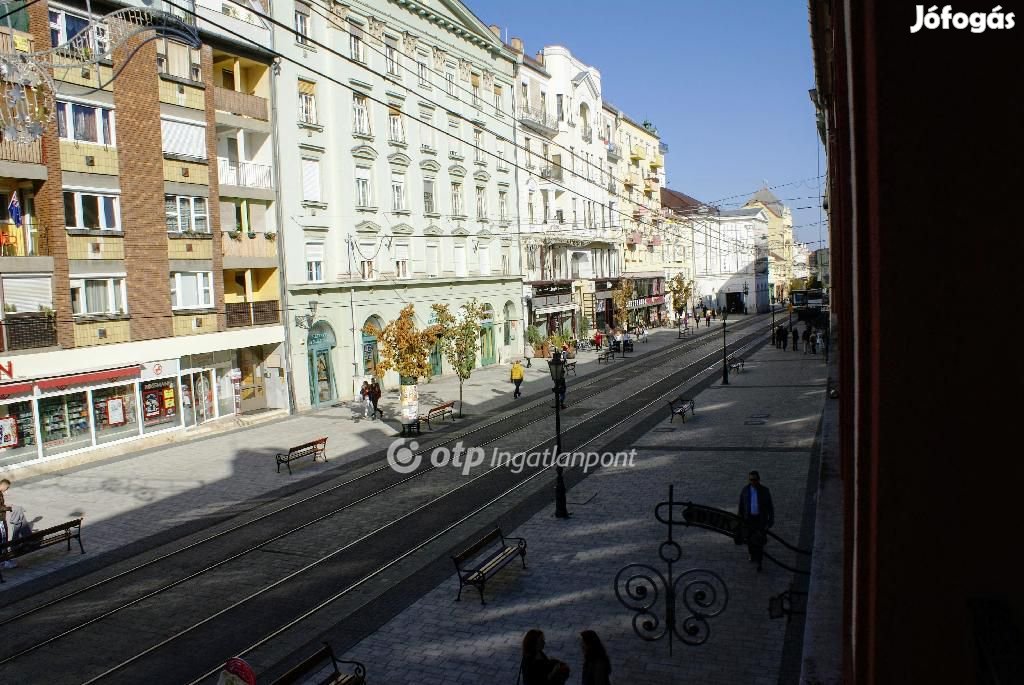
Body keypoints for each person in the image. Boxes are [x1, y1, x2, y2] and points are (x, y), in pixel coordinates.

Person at [738, 470, 775, 571]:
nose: (752, 482)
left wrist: (770, 521)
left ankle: (760, 561)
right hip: (749, 519)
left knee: (760, 540)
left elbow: (770, 507)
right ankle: (751, 554)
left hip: (760, 520)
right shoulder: (745, 491)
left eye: (754, 479)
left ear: (758, 480)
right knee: (750, 540)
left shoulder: (764, 491)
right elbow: (741, 506)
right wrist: (740, 520)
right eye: (751, 480)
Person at [0, 479, 13, 569]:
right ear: (3, 485)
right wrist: (8, 508)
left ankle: (3, 560)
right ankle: (5, 561)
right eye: (7, 488)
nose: (7, 490)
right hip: (0, 520)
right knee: (4, 539)